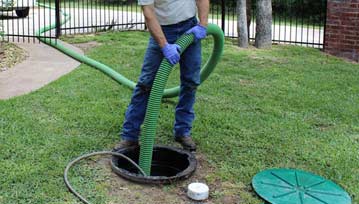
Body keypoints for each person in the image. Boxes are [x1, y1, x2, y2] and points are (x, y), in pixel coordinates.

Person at [114, 0, 209, 152]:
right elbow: (149, 13)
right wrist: (164, 45)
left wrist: (202, 25)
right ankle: (129, 136)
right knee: (145, 85)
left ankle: (183, 132)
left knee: (190, 82)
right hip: (162, 29)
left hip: (190, 27)